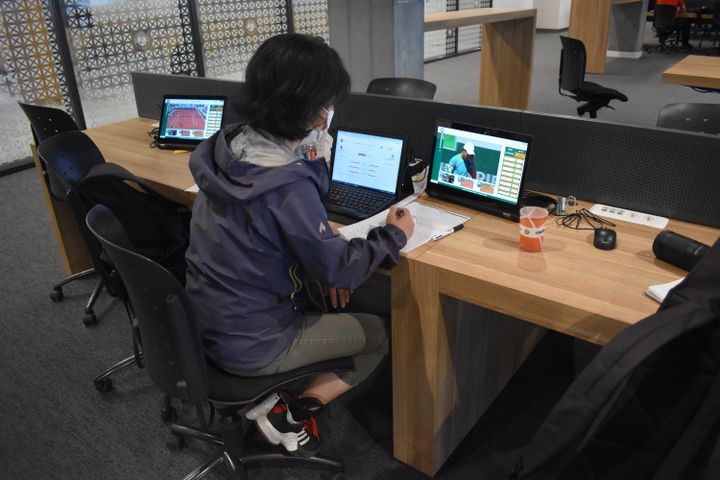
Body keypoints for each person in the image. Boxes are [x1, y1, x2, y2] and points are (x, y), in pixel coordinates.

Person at [184, 33, 415, 457]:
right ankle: (288, 412)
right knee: (380, 334)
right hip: (251, 340)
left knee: (329, 288)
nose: (328, 114)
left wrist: (321, 256)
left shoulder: (227, 148)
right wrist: (394, 235)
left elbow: (269, 239)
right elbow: (341, 270)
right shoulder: (285, 185)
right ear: (310, 111)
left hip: (204, 315)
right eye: (325, 103)